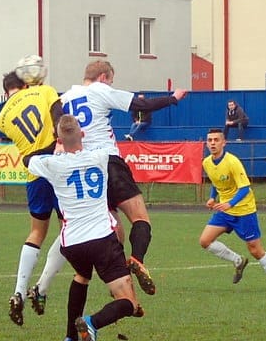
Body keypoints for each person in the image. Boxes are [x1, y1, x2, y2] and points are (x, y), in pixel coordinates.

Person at [60, 60, 188, 296]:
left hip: (86, 171)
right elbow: (140, 104)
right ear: (103, 77)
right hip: (109, 162)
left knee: (112, 228)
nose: (110, 84)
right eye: (111, 80)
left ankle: (119, 279)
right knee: (140, 218)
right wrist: (173, 98)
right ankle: (137, 259)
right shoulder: (99, 90)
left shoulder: (66, 98)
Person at [28, 115, 141, 341]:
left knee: (82, 276)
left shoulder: (52, 164)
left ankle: (70, 337)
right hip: (102, 238)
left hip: (73, 243)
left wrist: (54, 146)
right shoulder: (99, 156)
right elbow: (109, 152)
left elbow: (29, 160)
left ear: (59, 140)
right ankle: (91, 322)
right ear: (83, 135)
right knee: (129, 303)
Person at [0, 69, 66, 326]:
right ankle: (41, 288)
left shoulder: (1, 117)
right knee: (68, 228)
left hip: (34, 171)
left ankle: (18, 291)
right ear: (26, 83)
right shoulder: (45, 91)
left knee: (36, 232)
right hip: (56, 164)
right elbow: (58, 116)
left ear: (6, 91)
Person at [200, 128, 266, 291]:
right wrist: (213, 197)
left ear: (224, 142)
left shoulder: (232, 162)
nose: (212, 143)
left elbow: (245, 188)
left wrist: (229, 204)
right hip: (225, 211)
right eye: (210, 140)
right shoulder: (206, 162)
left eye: (216, 140)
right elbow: (215, 182)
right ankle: (238, 260)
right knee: (205, 241)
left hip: (244, 211)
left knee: (255, 249)